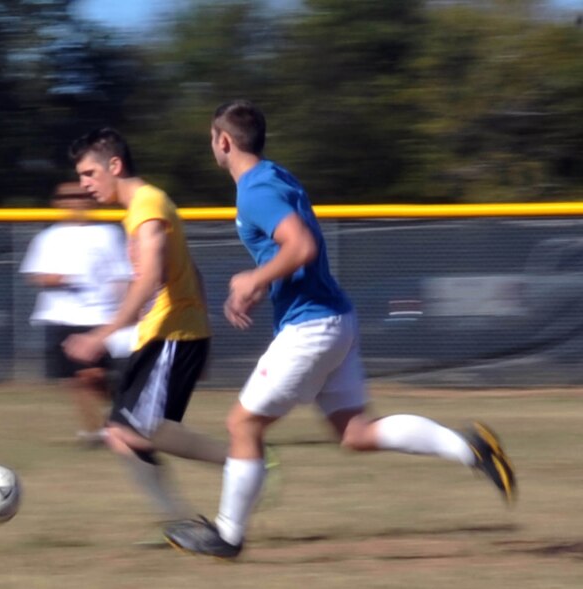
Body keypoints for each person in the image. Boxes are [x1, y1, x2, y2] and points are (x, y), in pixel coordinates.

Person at [164, 99, 517, 559]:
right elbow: (292, 249)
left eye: (212, 139)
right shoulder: (276, 175)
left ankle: (228, 535)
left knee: (243, 424)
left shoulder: (254, 190)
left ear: (223, 142)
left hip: (311, 326)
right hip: (335, 319)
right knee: (355, 433)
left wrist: (254, 279)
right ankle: (470, 448)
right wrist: (261, 282)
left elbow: (302, 245)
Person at [63, 127, 231, 522]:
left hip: (174, 334)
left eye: (89, 174)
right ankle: (178, 523)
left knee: (141, 431)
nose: (83, 184)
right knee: (121, 434)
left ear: (115, 166)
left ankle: (245, 462)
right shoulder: (139, 210)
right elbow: (194, 272)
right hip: (166, 335)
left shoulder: (146, 204)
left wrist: (101, 335)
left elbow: (151, 276)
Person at [20, 181, 133, 445]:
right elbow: (35, 275)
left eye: (81, 195)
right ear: (57, 202)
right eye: (68, 197)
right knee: (73, 381)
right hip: (59, 315)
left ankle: (121, 412)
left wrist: (126, 312)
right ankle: (94, 430)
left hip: (98, 317)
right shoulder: (47, 237)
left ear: (91, 200)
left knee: (92, 376)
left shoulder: (107, 234)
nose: (75, 201)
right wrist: (51, 279)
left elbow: (122, 275)